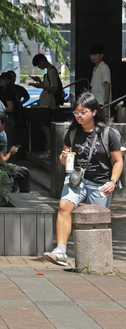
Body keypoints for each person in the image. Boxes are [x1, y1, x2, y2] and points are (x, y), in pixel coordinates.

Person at [43, 93, 122, 265]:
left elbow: (118, 161)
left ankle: (97, 261)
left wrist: (113, 181)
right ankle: (61, 251)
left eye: (83, 112)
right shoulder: (72, 132)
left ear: (94, 112)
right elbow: (64, 156)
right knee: (64, 206)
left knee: (97, 220)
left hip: (100, 182)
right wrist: (63, 158)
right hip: (76, 179)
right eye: (76, 112)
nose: (79, 116)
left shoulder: (108, 134)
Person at [0, 111, 31, 192]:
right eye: (4, 125)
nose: (4, 128)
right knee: (24, 172)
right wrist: (11, 152)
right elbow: (2, 160)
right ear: (0, 123)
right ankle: (24, 196)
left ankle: (14, 192)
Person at [29, 53, 61, 155]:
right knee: (45, 126)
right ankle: (50, 148)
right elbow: (49, 86)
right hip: (46, 102)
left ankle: (50, 149)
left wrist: (41, 86)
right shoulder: (49, 71)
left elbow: (54, 88)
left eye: (38, 65)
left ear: (42, 61)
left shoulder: (51, 71)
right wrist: (39, 81)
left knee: (45, 127)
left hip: (48, 103)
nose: (39, 67)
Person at [89, 45, 111, 111]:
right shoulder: (95, 68)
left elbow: (107, 85)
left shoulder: (104, 67)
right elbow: (94, 86)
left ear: (101, 55)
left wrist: (106, 103)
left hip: (102, 101)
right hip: (95, 101)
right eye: (91, 55)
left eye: (95, 55)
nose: (93, 57)